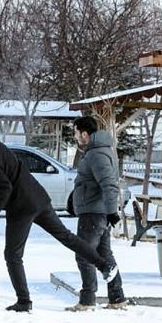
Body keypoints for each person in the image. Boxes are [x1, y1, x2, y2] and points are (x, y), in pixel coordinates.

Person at [0, 118, 117, 312]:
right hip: (38, 198)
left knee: (12, 255)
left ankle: (23, 301)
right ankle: (104, 265)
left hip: (21, 207)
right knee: (66, 237)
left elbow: (3, 187)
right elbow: (0, 182)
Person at [69, 116, 127, 311]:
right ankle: (117, 299)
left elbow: (109, 184)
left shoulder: (97, 154)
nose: (75, 136)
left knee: (83, 255)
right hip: (96, 212)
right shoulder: (98, 151)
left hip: (94, 214)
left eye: (76, 132)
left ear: (85, 133)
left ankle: (87, 300)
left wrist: (112, 212)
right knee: (104, 255)